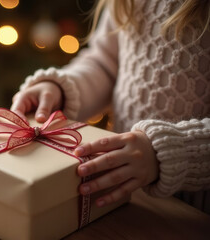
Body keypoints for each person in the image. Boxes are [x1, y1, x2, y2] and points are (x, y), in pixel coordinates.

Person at [11, 0, 210, 213]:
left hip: (194, 212)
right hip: (123, 193)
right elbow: (105, 64)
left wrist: (168, 153)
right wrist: (61, 90)